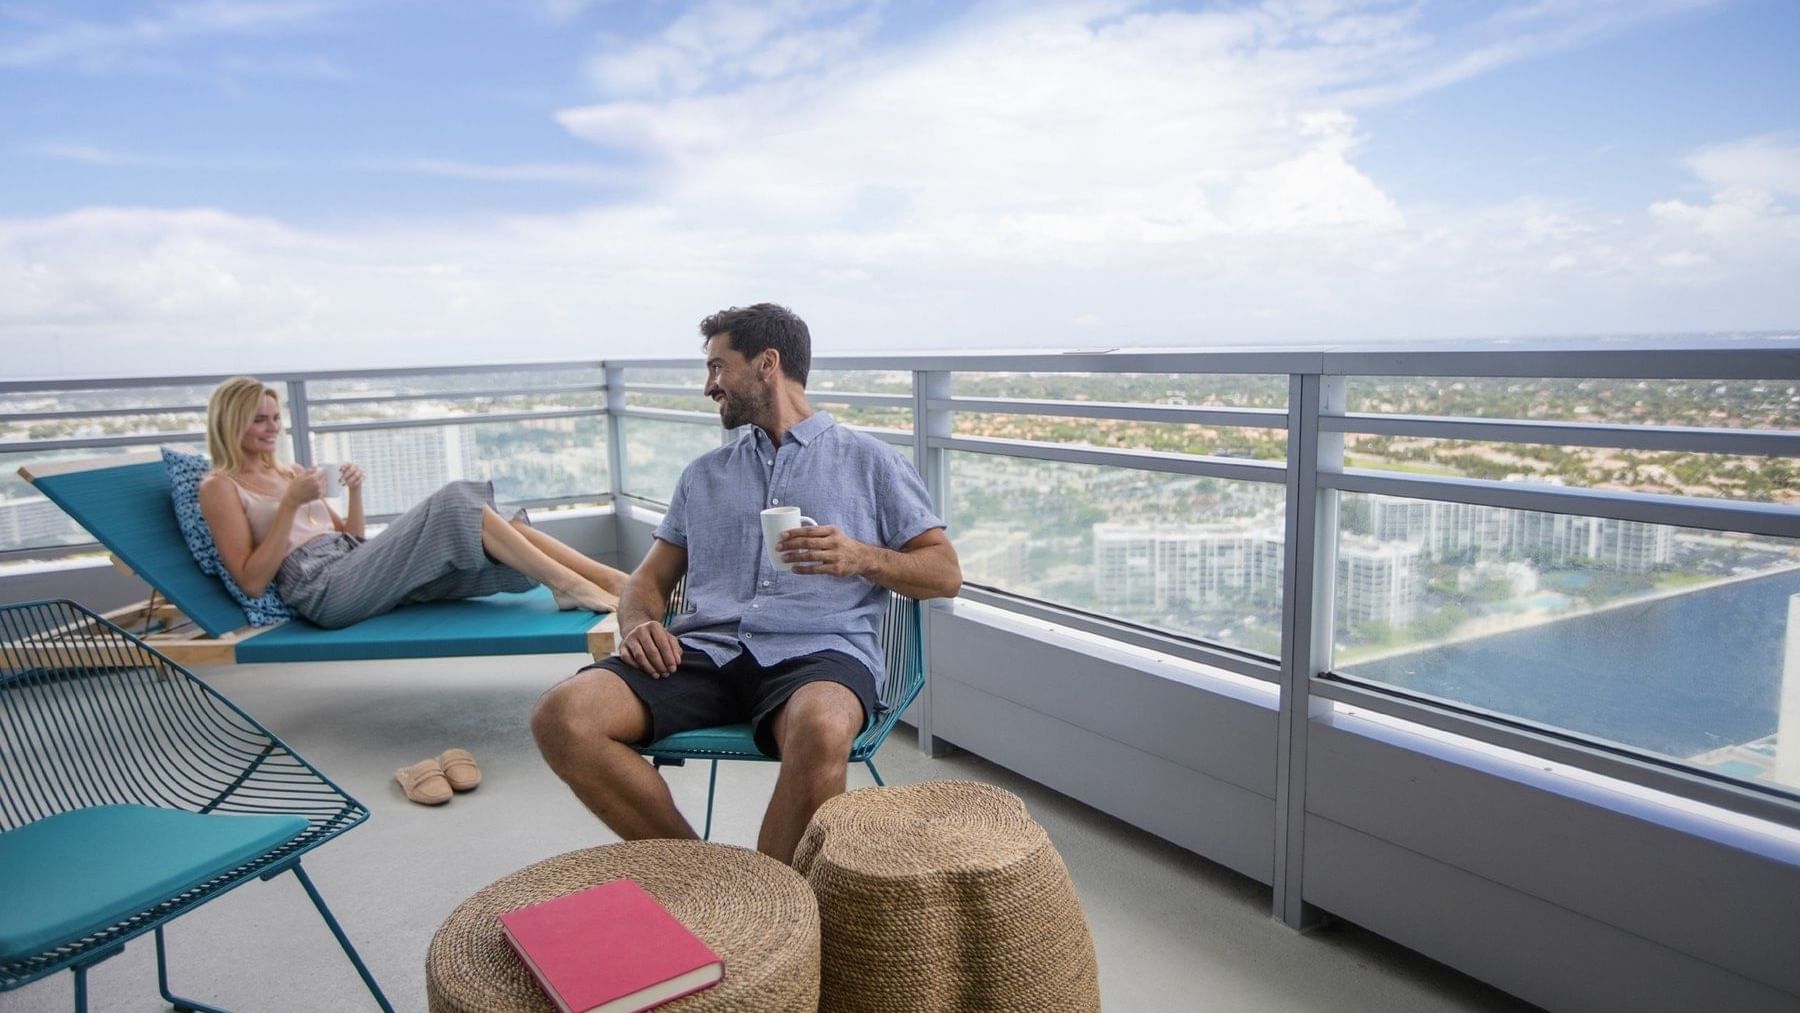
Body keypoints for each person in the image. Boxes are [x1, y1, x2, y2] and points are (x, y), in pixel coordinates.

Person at [531, 303, 962, 864]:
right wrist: (638, 623)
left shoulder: (871, 463)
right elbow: (647, 581)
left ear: (767, 363)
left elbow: (944, 573)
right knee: (562, 716)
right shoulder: (704, 474)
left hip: (820, 653)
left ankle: (778, 907)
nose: (709, 386)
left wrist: (859, 556)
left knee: (824, 727)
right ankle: (715, 878)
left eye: (717, 367)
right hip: (704, 652)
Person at [198, 376, 626, 630]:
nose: (272, 428)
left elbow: (350, 537)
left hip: (354, 564)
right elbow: (251, 581)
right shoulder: (220, 486)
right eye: (259, 420)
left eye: (275, 418)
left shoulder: (290, 471)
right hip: (319, 589)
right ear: (232, 421)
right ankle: (568, 586)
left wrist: (355, 491)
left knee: (503, 540)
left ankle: (618, 583)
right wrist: (290, 506)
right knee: (458, 501)